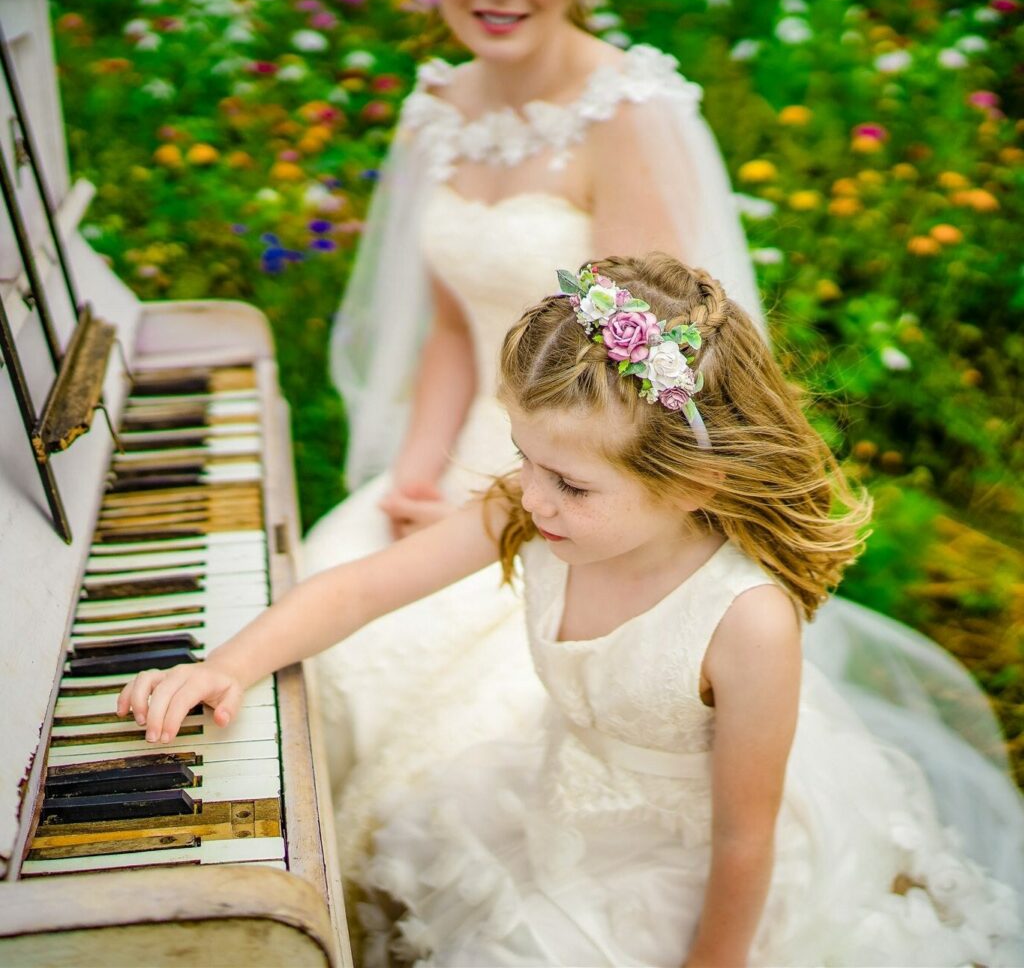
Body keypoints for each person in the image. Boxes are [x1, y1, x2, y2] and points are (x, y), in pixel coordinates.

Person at [119, 255, 1023, 967]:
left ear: (693, 479)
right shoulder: (535, 505)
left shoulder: (745, 621)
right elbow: (361, 587)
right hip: (558, 804)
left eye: (572, 484)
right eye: (525, 458)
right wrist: (227, 664)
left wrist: (710, 962)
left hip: (692, 870)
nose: (534, 499)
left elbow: (745, 836)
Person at [301, 0, 763, 868]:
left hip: (585, 475)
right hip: (463, 453)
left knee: (465, 741)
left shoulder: (627, 112)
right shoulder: (434, 110)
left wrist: (512, 499)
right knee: (319, 611)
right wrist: (415, 477)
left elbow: (633, 385)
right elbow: (448, 333)